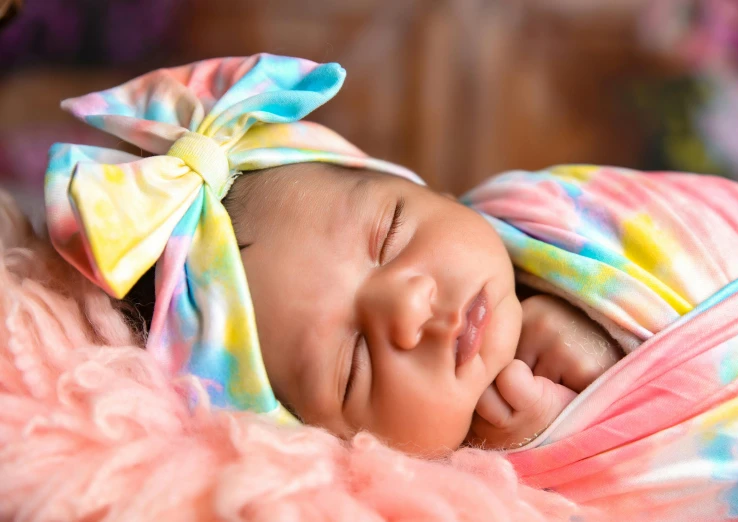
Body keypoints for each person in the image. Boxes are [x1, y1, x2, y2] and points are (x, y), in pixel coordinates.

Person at [45, 52, 623, 457]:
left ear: (430, 191)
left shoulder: (557, 212)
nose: (409, 306)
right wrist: (553, 442)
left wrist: (602, 324)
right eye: (355, 368)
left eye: (392, 233)